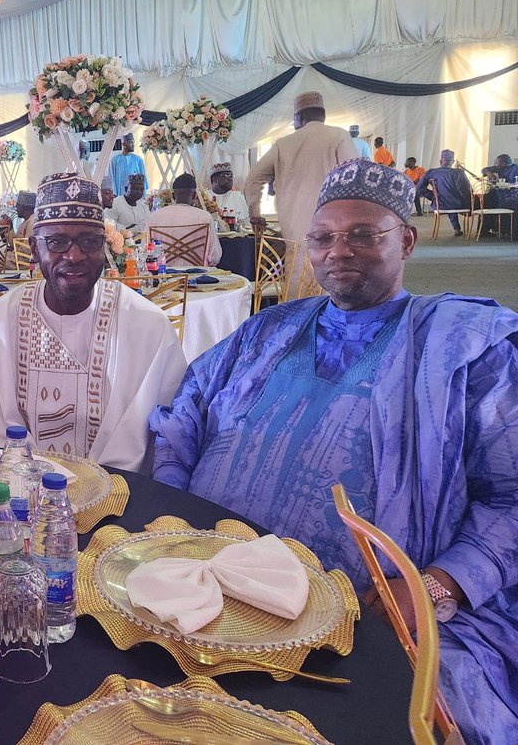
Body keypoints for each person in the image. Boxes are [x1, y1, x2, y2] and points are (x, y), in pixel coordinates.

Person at [151, 159, 518, 744]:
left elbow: (511, 498)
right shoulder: (269, 328)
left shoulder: (469, 352)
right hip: (211, 578)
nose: (337, 250)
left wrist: (434, 587)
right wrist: (172, 510)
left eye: (362, 235)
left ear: (406, 241)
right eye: (322, 237)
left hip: (367, 609)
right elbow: (183, 413)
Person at [0, 173, 186, 468]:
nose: (74, 256)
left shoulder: (147, 327)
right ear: (34, 248)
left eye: (89, 241)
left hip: (122, 498)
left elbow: (168, 443)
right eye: (57, 242)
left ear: (104, 246)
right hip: (18, 496)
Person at [245, 91, 359, 244]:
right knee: (331, 265)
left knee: (296, 264)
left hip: (293, 226)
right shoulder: (340, 136)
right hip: (334, 223)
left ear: (299, 117)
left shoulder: (283, 144)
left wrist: (255, 214)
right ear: (323, 115)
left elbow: (253, 179)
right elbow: (354, 179)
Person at [145, 174, 222, 267]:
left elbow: (145, 252)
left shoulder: (154, 217)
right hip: (198, 278)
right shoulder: (205, 217)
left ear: (173, 196)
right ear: (195, 196)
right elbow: (215, 257)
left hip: (164, 277)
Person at [416, 150, 472, 236]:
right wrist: (469, 203)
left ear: (440, 162)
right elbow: (465, 191)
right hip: (458, 204)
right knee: (458, 200)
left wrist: (433, 197)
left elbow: (419, 188)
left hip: (439, 204)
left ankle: (456, 228)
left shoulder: (431, 172)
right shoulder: (458, 173)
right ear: (452, 162)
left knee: (448, 199)